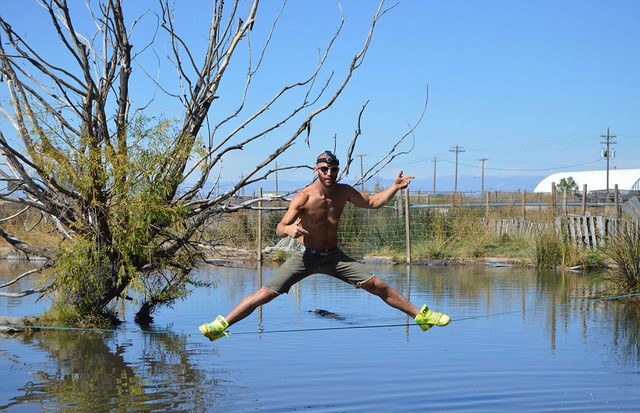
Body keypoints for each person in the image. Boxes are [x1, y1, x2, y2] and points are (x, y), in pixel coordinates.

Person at [199, 151, 450, 341]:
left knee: (379, 286)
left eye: (333, 169)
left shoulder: (344, 192)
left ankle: (421, 316)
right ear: (316, 170)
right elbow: (280, 227)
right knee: (265, 294)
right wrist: (289, 229)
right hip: (307, 256)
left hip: (335, 257)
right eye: (324, 169)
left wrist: (394, 187)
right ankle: (221, 325)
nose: (330, 173)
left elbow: (372, 202)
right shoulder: (304, 197)